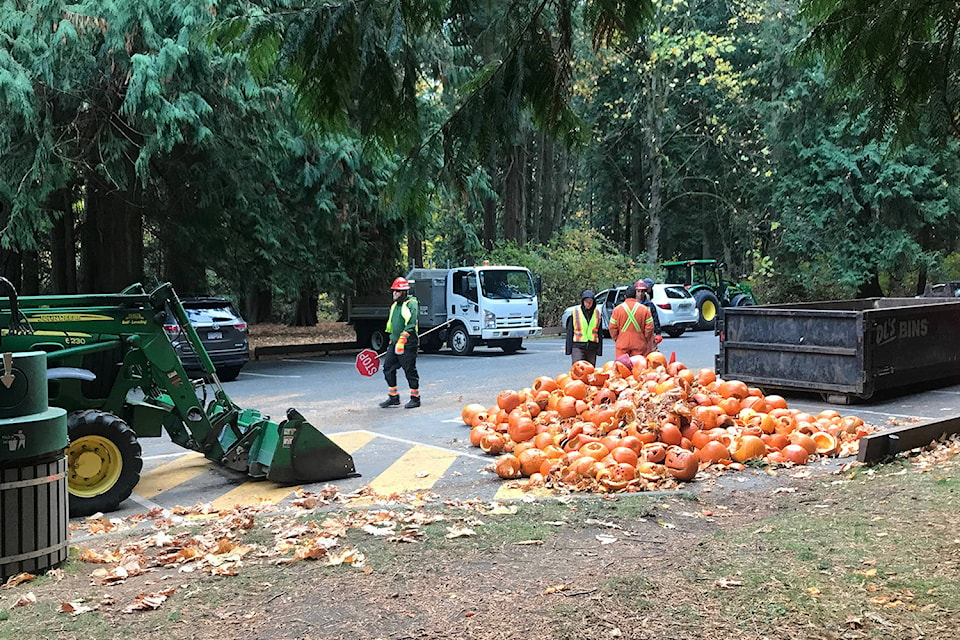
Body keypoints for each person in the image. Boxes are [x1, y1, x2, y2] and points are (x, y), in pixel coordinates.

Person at [379, 277, 421, 408]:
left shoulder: (411, 304)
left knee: (409, 370)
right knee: (388, 368)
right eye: (394, 291)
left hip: (408, 344)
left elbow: (411, 324)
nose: (394, 293)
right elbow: (392, 325)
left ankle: (415, 398)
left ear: (404, 292)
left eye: (397, 291)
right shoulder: (394, 306)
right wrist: (393, 340)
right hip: (394, 343)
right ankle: (393, 397)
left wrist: (402, 340)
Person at [608, 281, 654, 359]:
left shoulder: (617, 310)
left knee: (622, 367)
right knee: (638, 368)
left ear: (625, 296)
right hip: (639, 343)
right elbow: (649, 327)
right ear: (635, 295)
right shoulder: (644, 309)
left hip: (622, 343)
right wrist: (644, 338)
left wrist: (617, 338)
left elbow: (612, 327)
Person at [565, 289, 603, 365]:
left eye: (590, 302)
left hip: (592, 347)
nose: (588, 304)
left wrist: (599, 350)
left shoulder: (597, 314)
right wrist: (568, 349)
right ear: (583, 301)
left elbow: (599, 332)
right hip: (578, 346)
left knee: (590, 371)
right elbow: (570, 332)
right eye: (586, 302)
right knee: (578, 369)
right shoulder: (575, 312)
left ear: (593, 302)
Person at [636, 279, 663, 354]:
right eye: (638, 291)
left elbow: (655, 319)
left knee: (652, 355)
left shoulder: (649, 305)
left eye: (642, 291)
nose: (640, 294)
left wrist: (658, 334)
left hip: (649, 336)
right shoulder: (632, 305)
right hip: (636, 335)